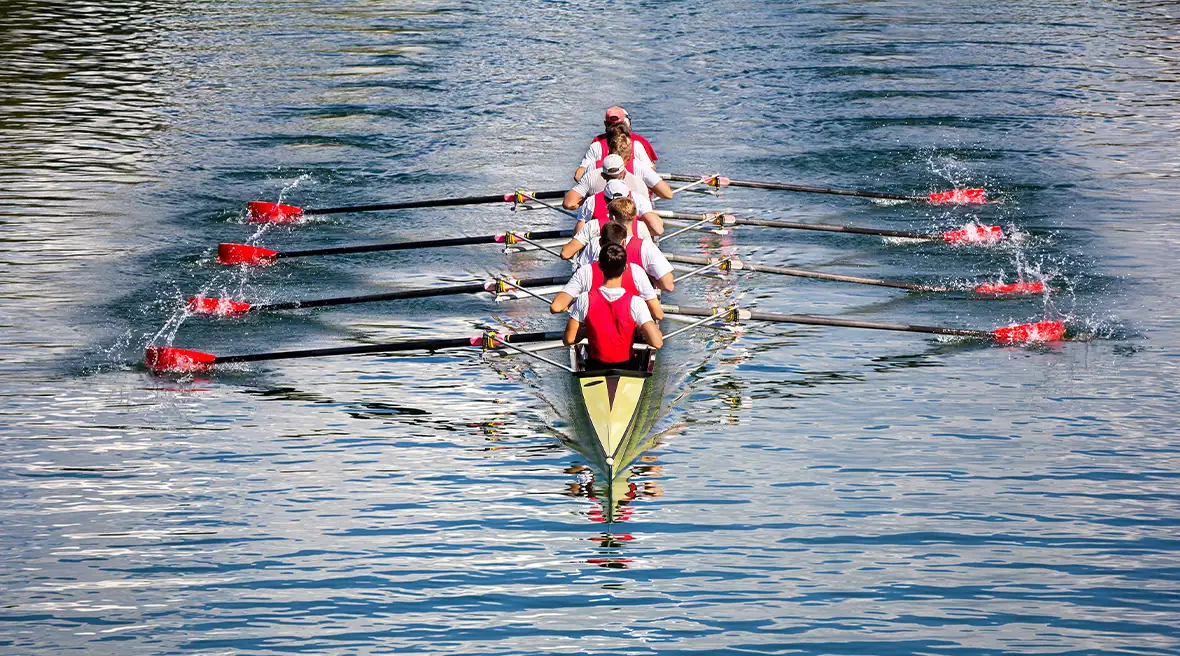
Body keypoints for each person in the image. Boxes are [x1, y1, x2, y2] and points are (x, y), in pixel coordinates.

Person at [563, 243, 663, 370]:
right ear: (625, 268)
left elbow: (568, 339)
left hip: (595, 368)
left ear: (600, 267)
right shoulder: (636, 302)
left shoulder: (584, 299)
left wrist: (587, 331)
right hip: (628, 369)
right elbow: (657, 343)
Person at [550, 221, 664, 320]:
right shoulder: (637, 271)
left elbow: (556, 307)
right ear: (624, 243)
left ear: (599, 243)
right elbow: (658, 314)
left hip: (594, 338)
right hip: (629, 337)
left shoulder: (585, 271)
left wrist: (574, 303)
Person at [560, 195, 675, 293]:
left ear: (612, 218)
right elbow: (668, 286)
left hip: (600, 308)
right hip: (634, 312)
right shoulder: (647, 247)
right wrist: (649, 278)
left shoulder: (595, 243)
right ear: (634, 217)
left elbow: (580, 277)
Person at [564, 154, 670, 236]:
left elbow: (577, 236)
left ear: (603, 175)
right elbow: (657, 229)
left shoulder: (591, 201)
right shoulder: (638, 196)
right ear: (624, 173)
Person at [573, 107, 658, 182]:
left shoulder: (597, 143)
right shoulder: (638, 142)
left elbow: (578, 176)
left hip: (604, 195)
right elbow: (652, 169)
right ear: (624, 123)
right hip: (633, 196)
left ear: (605, 124)